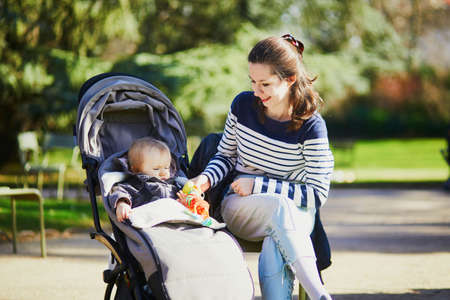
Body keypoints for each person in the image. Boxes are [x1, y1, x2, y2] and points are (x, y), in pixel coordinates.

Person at [189, 34, 334, 300]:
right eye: (253, 82)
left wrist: (258, 184)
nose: (257, 92)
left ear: (289, 79)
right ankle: (320, 295)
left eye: (265, 84)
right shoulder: (243, 106)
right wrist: (205, 180)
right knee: (280, 211)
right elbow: (225, 157)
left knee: (276, 242)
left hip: (297, 215)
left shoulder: (312, 127)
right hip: (242, 207)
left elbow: (316, 194)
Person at [109, 137, 209, 222]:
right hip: (151, 222)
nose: (163, 172)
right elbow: (120, 191)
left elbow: (193, 195)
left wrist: (191, 198)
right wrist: (122, 203)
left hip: (178, 220)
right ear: (135, 169)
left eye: (166, 167)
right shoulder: (136, 185)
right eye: (156, 169)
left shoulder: (176, 183)